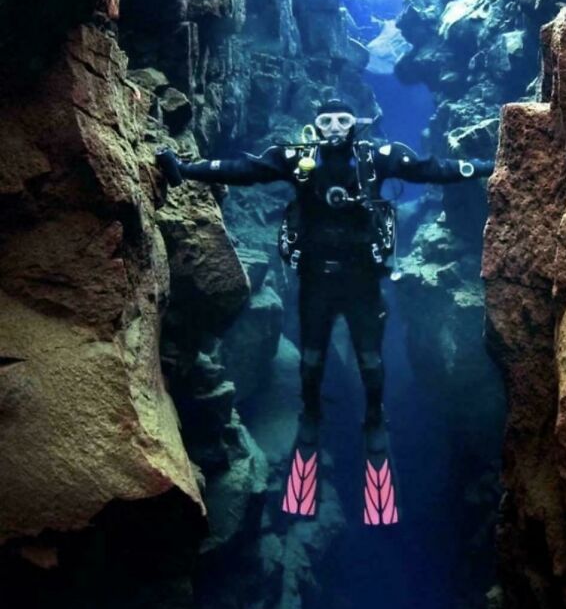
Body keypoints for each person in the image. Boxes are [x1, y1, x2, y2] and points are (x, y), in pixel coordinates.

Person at [157, 100, 493, 526]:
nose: (335, 127)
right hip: (316, 279)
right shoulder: (299, 159)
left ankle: (373, 417)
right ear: (314, 125)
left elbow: (432, 168)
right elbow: (243, 170)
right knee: (312, 356)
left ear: (357, 124)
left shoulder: (378, 157)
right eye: (326, 120)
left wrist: (484, 166)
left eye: (343, 120)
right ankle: (311, 414)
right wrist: (185, 169)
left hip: (362, 281)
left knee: (370, 359)